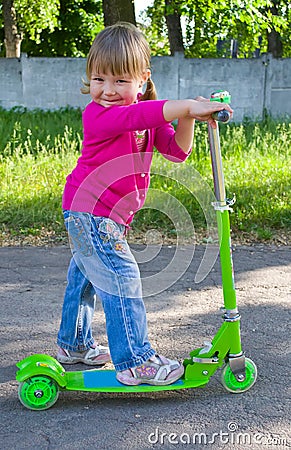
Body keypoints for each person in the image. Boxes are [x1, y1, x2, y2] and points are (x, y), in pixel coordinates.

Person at [56, 22, 233, 386]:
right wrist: (183, 104)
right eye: (98, 79)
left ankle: (72, 344)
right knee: (121, 277)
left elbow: (177, 152)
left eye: (120, 81)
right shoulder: (99, 115)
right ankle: (136, 360)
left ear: (142, 79)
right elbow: (137, 116)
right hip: (91, 212)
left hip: (103, 214)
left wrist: (187, 116)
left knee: (86, 276)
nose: (106, 90)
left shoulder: (150, 113)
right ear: (89, 78)